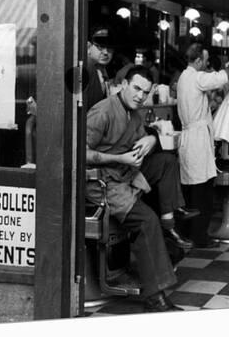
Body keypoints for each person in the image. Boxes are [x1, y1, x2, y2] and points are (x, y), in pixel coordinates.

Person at [86, 65, 194, 312]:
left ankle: (170, 222)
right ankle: (154, 297)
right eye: (136, 88)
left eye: (145, 92)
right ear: (123, 84)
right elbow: (79, 152)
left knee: (167, 161)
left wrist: (152, 138)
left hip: (125, 174)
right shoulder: (102, 112)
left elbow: (143, 136)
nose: (139, 96)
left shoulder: (133, 112)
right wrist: (120, 159)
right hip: (102, 183)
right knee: (146, 221)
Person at [176, 43, 229, 248]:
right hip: (197, 139)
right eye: (205, 60)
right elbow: (217, 78)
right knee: (202, 191)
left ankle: (187, 233)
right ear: (197, 60)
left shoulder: (184, 78)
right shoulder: (196, 77)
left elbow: (213, 84)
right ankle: (200, 237)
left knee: (190, 190)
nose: (206, 64)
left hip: (191, 137)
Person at [85, 25, 116, 110]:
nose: (106, 52)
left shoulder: (101, 69)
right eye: (100, 46)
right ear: (88, 46)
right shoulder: (87, 66)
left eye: (109, 47)